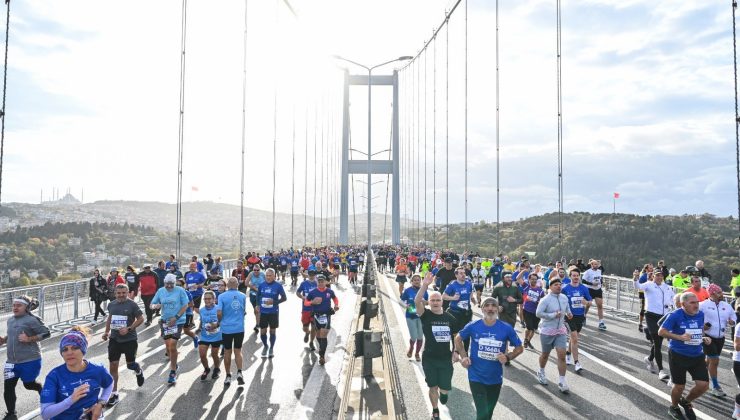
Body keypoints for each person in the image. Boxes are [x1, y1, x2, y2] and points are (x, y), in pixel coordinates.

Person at [455, 297, 523, 419]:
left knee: (489, 412)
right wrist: (464, 356)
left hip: (495, 378)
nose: (490, 308)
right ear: (482, 309)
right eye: (487, 305)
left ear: (498, 309)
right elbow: (458, 338)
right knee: (482, 412)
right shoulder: (473, 325)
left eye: (493, 305)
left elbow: (519, 348)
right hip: (476, 376)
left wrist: (507, 357)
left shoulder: (506, 328)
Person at [40, 327, 113, 420]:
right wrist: (71, 400)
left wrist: (101, 404)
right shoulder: (54, 376)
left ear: (83, 350)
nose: (69, 352)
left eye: (75, 348)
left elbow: (109, 384)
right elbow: (45, 414)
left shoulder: (98, 369)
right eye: (65, 349)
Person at [659, 292, 711, 420]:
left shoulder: (700, 314)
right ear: (683, 304)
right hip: (678, 354)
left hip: (697, 354)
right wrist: (679, 337)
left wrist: (703, 337)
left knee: (703, 385)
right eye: (692, 303)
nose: (696, 305)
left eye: (697, 302)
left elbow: (699, 329)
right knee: (679, 386)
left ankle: (686, 401)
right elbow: (661, 331)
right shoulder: (675, 315)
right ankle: (674, 407)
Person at [415, 273, 457, 420]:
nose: (435, 302)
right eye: (432, 300)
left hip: (446, 359)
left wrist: (456, 352)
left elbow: (456, 338)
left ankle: (444, 394)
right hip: (429, 358)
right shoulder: (425, 315)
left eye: (438, 300)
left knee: (444, 389)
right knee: (433, 387)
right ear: (429, 302)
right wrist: (425, 285)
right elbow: (417, 300)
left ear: (442, 302)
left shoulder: (450, 318)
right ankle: (435, 410)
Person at [1, 296, 49, 420]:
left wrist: (29, 339)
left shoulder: (33, 320)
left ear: (27, 307)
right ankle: (11, 414)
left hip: (30, 361)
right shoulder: (10, 320)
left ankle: (39, 387)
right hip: (11, 362)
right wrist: (4, 340)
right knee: (8, 387)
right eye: (14, 305)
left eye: (19, 305)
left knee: (28, 385)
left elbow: (46, 332)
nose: (15, 308)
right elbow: (12, 334)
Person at [101, 284, 145, 406]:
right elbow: (110, 318)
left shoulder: (132, 304)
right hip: (114, 339)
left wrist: (129, 328)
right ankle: (114, 393)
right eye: (118, 293)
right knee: (113, 365)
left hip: (130, 340)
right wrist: (106, 332)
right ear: (115, 293)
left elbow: (141, 319)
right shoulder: (112, 304)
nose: (121, 295)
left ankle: (138, 370)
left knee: (130, 365)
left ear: (127, 293)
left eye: (123, 293)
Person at [633, 269, 674, 381]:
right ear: (653, 276)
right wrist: (635, 278)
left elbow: (673, 299)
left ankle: (650, 358)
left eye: (661, 276)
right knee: (657, 341)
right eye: (657, 276)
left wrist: (672, 307)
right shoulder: (648, 285)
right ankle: (661, 370)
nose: (659, 277)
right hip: (651, 315)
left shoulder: (667, 287)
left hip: (663, 317)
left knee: (659, 342)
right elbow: (638, 286)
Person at [150, 273, 190, 385]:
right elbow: (151, 304)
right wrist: (155, 306)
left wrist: (176, 317)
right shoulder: (161, 291)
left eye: (171, 284)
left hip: (178, 321)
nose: (168, 286)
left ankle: (172, 372)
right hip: (165, 321)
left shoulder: (180, 290)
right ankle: (174, 362)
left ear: (175, 283)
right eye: (167, 284)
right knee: (168, 347)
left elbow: (185, 305)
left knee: (173, 345)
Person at [535, 277, 573, 392]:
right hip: (547, 330)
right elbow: (538, 313)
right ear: (550, 287)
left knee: (561, 355)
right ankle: (541, 371)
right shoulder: (545, 300)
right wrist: (552, 315)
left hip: (560, 330)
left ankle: (562, 381)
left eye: (559, 284)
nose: (558, 286)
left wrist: (569, 313)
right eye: (555, 284)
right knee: (545, 355)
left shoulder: (564, 298)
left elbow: (567, 308)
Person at [699, 283, 736, 397]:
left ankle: (698, 372)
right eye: (719, 292)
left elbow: (733, 316)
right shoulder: (703, 305)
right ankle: (715, 386)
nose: (721, 294)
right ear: (712, 293)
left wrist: (732, 321)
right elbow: (695, 317)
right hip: (708, 337)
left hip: (721, 338)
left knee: (710, 361)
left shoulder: (726, 305)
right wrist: (702, 326)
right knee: (715, 361)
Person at [217, 277, 247, 386]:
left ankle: (228, 376)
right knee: (238, 351)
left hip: (226, 328)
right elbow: (243, 311)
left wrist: (219, 322)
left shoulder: (221, 296)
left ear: (227, 286)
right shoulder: (243, 296)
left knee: (227, 352)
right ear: (238, 285)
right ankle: (239, 372)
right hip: (239, 328)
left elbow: (219, 312)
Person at [562, 269, 591, 373]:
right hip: (569, 317)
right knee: (574, 338)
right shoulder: (565, 288)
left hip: (580, 316)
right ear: (570, 277)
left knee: (573, 337)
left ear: (579, 277)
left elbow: (590, 301)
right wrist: (565, 312)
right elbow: (561, 302)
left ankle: (568, 353)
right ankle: (577, 363)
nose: (575, 277)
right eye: (573, 275)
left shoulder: (584, 288)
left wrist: (587, 303)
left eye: (577, 276)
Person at [306, 274, 339, 365]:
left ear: (325, 282)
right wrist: (312, 302)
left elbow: (335, 299)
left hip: (326, 315)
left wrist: (336, 305)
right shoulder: (313, 292)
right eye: (319, 282)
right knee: (318, 335)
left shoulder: (329, 291)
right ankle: (321, 349)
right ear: (317, 282)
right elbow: (306, 302)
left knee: (323, 334)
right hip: (316, 316)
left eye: (322, 281)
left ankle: (322, 356)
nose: (320, 283)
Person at [443, 267, 476, 351]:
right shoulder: (452, 285)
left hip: (466, 313)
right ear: (456, 275)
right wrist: (453, 298)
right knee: (455, 332)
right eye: (461, 273)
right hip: (455, 313)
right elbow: (443, 296)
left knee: (467, 332)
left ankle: (465, 351)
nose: (463, 275)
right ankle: (455, 349)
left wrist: (473, 300)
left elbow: (471, 294)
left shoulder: (469, 283)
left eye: (464, 273)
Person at [257, 268, 287, 358]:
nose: (268, 277)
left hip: (273, 312)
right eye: (267, 275)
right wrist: (257, 305)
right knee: (262, 331)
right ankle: (265, 346)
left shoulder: (278, 286)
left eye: (270, 275)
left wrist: (274, 302)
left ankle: (271, 348)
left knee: (272, 331)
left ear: (274, 276)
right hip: (263, 312)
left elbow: (284, 298)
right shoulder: (261, 285)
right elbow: (258, 295)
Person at [401, 274, 428, 361]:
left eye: (418, 280)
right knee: (413, 336)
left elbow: (427, 302)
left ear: (420, 281)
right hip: (410, 315)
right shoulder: (408, 290)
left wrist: (424, 302)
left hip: (421, 316)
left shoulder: (424, 290)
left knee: (420, 336)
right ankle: (411, 347)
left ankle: (417, 353)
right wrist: (406, 305)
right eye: (415, 280)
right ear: (411, 281)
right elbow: (402, 299)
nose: (417, 281)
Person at [197, 291, 222, 381]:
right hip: (204, 335)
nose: (207, 300)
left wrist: (216, 325)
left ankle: (216, 368)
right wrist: (199, 328)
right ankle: (206, 369)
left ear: (214, 300)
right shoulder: (202, 310)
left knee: (214, 354)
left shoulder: (219, 309)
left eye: (209, 299)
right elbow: (201, 321)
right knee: (202, 354)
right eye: (205, 299)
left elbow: (222, 321)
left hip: (217, 335)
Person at [522, 273, 545, 350]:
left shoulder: (540, 291)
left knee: (534, 329)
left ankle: (527, 341)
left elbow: (543, 301)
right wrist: (525, 270)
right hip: (527, 310)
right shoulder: (526, 287)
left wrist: (539, 302)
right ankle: (526, 340)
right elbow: (519, 279)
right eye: (532, 279)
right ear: (529, 279)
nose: (534, 280)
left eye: (535, 279)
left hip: (536, 312)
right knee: (529, 328)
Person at [297, 268, 319, 350]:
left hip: (315, 309)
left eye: (313, 275)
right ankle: (307, 332)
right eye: (310, 275)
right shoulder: (303, 283)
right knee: (305, 328)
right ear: (308, 275)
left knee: (314, 328)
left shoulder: (318, 284)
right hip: (305, 309)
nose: (312, 276)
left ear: (315, 275)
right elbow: (298, 292)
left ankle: (311, 342)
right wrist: (302, 297)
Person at [582, 259, 606, 331]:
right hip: (590, 289)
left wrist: (601, 282)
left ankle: (601, 322)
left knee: (600, 305)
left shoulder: (599, 271)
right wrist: (592, 284)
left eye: (597, 264)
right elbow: (583, 280)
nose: (596, 265)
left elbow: (599, 279)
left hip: (598, 290)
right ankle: (584, 315)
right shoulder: (588, 272)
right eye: (594, 264)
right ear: (591, 265)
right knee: (588, 304)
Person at [246, 266, 267, 334]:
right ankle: (259, 322)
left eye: (258, 270)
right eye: (255, 270)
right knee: (255, 310)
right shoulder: (251, 274)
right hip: (253, 294)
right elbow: (246, 283)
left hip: (261, 294)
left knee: (258, 309)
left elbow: (268, 282)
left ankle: (258, 324)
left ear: (260, 270)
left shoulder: (263, 274)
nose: (256, 271)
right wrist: (253, 287)